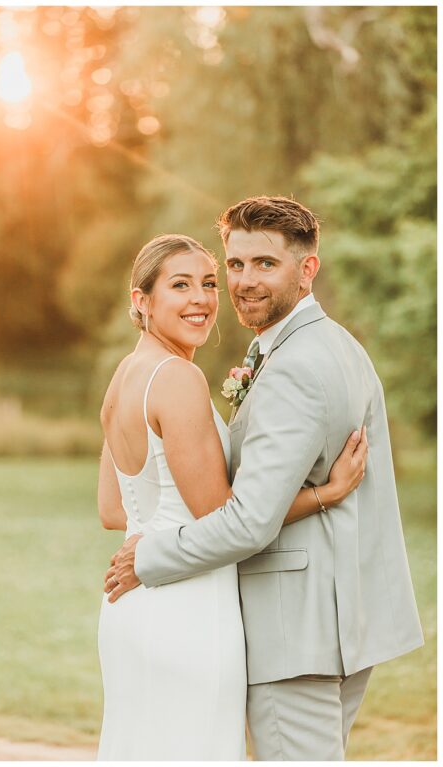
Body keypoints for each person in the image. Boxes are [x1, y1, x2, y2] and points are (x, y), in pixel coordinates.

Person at [105, 197, 423, 760]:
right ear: (143, 300)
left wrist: (147, 557)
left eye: (264, 264)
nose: (240, 284)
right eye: (235, 265)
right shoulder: (331, 347)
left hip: (292, 628)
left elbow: (241, 519)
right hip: (297, 619)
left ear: (307, 269)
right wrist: (325, 494)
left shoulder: (293, 363)